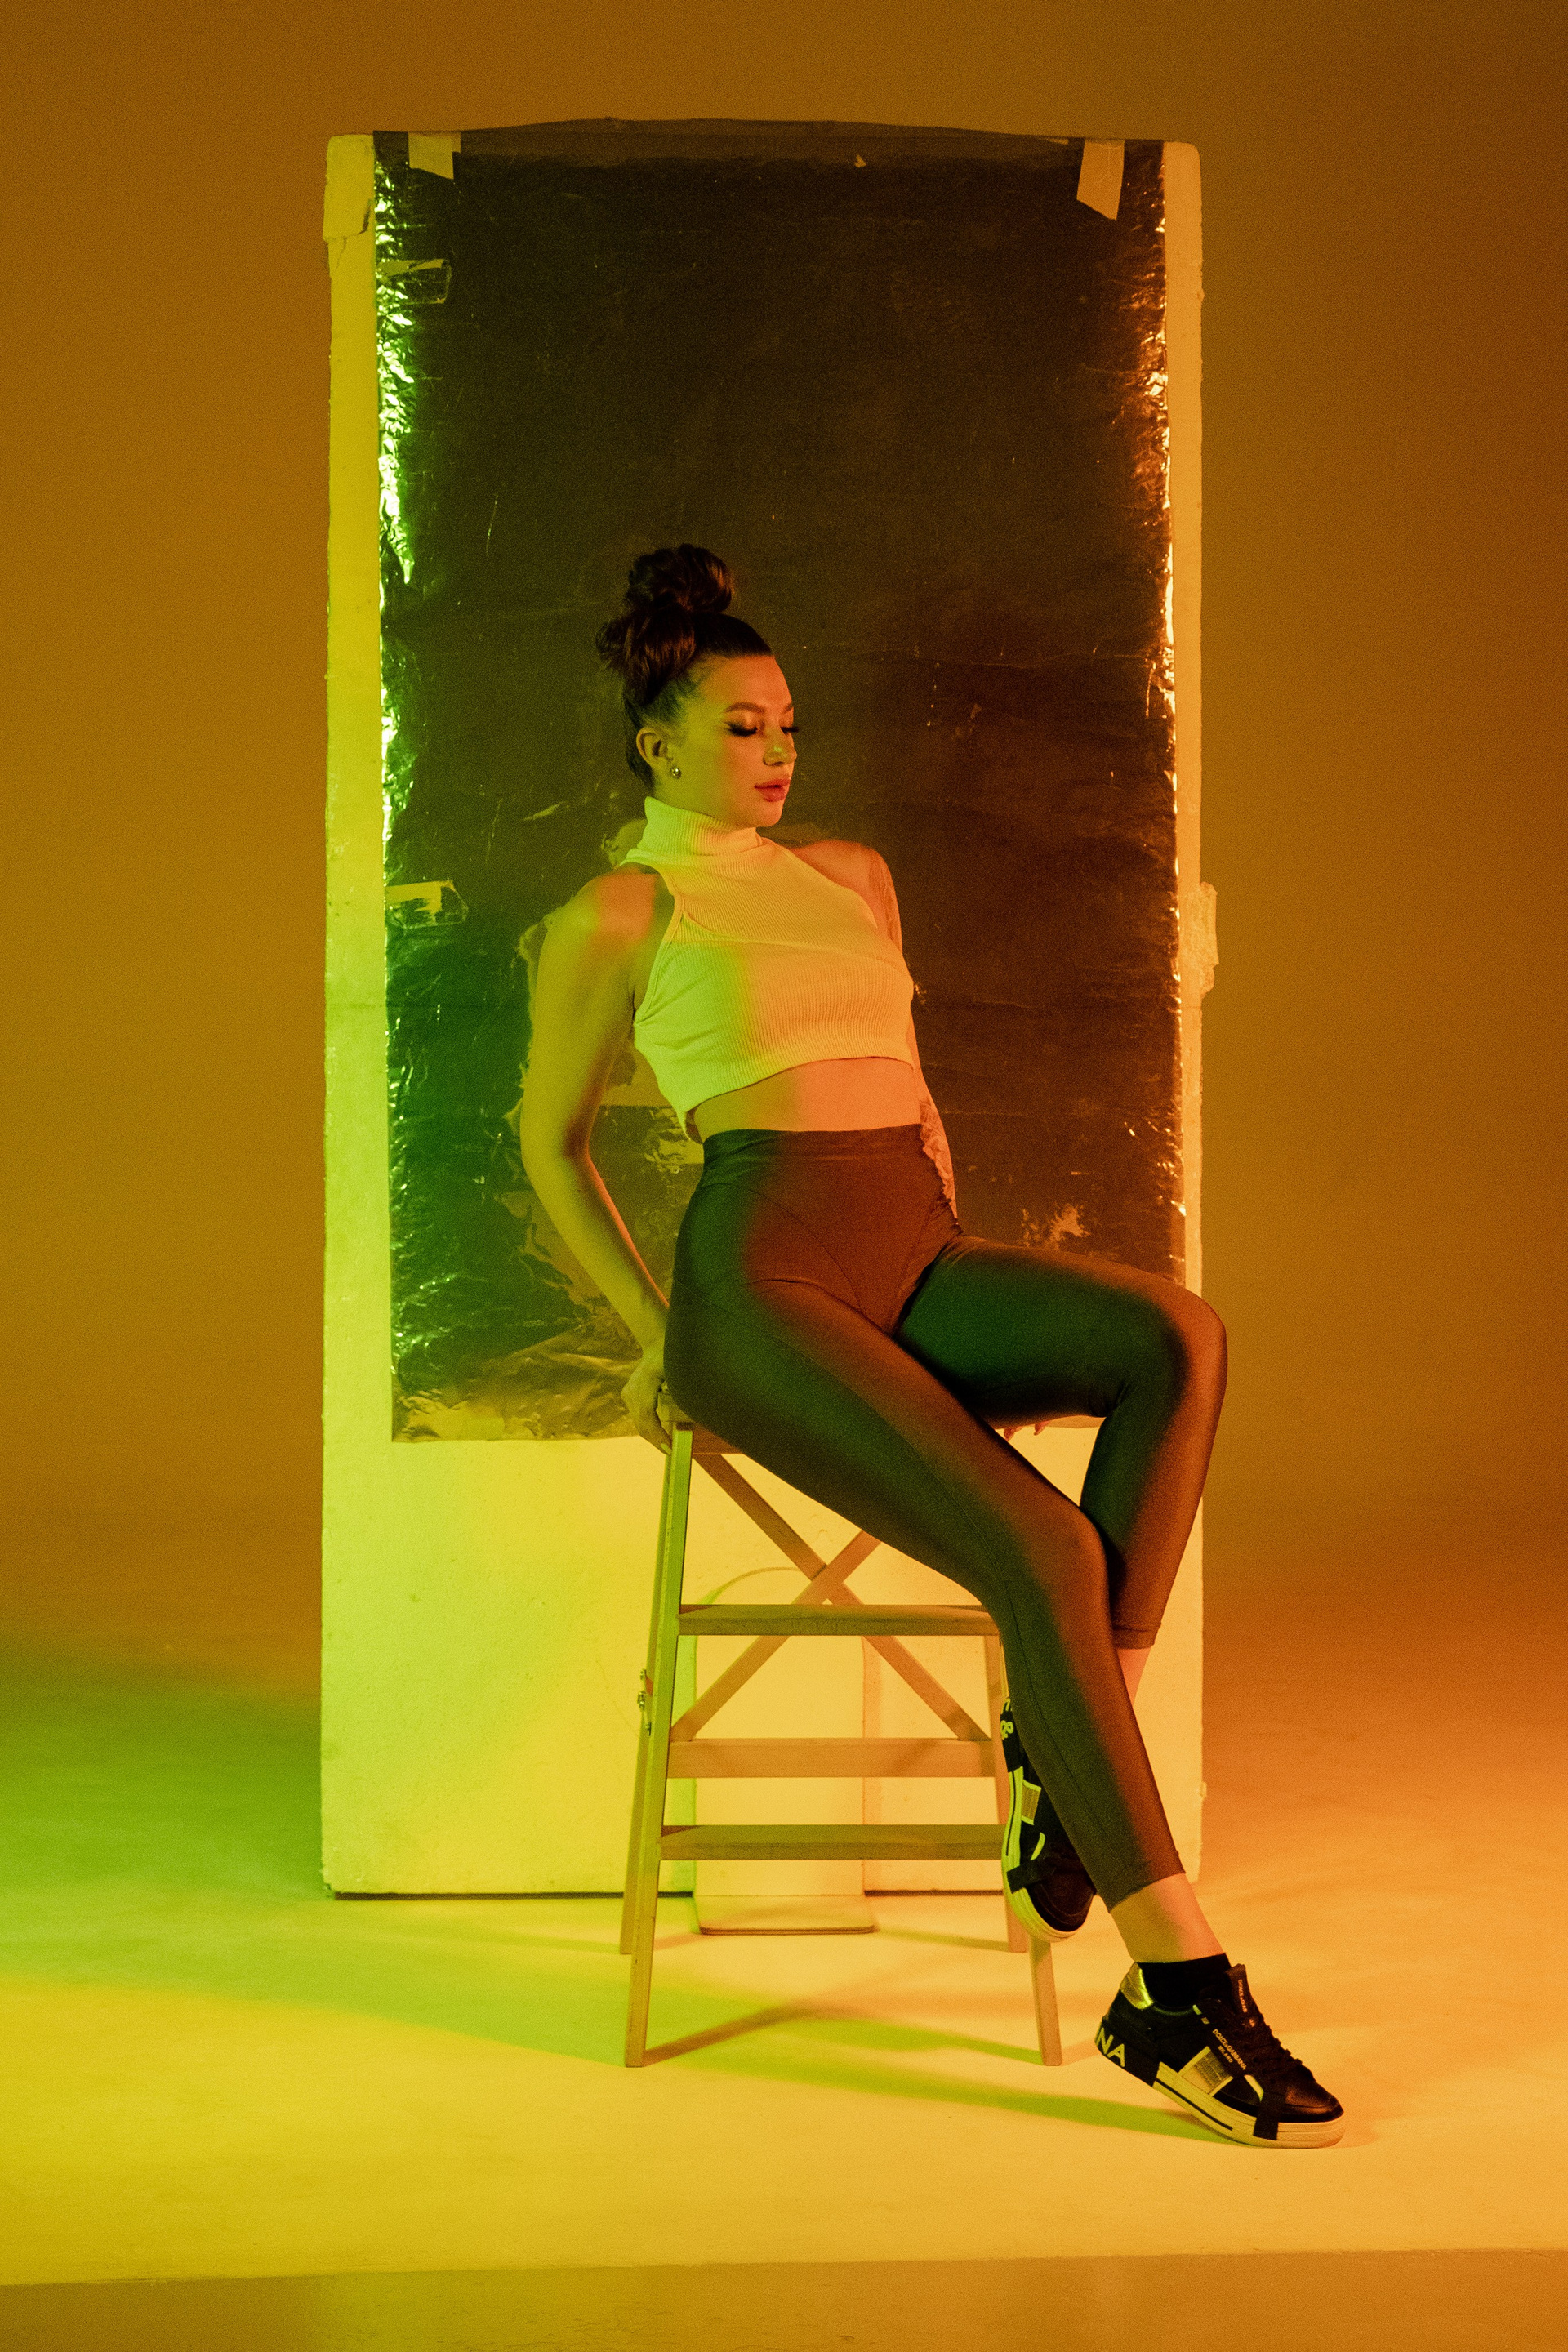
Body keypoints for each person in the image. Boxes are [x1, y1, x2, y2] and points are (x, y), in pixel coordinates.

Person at [520, 544, 1344, 2149]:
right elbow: (549, 1147)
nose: (778, 753)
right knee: (1040, 1545)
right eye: (743, 728)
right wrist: (657, 1338)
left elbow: (914, 1083)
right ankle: (1176, 1986)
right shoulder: (622, 910)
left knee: (1176, 1336)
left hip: (910, 1243)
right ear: (657, 743)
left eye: (789, 726)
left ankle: (1065, 1741)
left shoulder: (852, 877)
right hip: (763, 1287)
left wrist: (954, 1250)